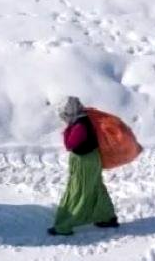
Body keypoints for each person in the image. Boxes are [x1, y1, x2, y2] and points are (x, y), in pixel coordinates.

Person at [48, 96, 119, 236]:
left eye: (65, 115)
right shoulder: (84, 120)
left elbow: (69, 144)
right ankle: (107, 217)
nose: (64, 118)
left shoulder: (80, 125)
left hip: (85, 162)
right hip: (89, 160)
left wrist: (68, 129)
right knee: (95, 187)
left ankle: (65, 225)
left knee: (80, 191)